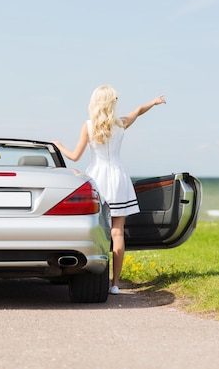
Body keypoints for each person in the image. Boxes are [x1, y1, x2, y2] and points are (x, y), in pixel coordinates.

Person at [53, 85, 166, 295]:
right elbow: (138, 111)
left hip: (97, 177)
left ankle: (94, 276)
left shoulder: (88, 126)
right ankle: (115, 284)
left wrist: (60, 146)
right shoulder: (121, 123)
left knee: (97, 229)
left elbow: (75, 156)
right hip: (118, 177)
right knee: (117, 232)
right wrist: (154, 102)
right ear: (112, 102)